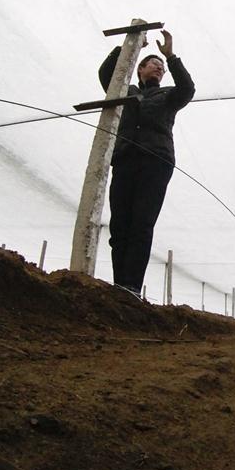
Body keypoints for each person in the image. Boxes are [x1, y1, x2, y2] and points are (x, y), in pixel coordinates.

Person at [98, 29, 195, 296]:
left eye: (162, 69)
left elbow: (188, 89)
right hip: (125, 159)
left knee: (142, 223)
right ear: (140, 69)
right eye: (155, 64)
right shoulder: (125, 92)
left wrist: (171, 56)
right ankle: (120, 286)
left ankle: (131, 287)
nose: (160, 70)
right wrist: (129, 49)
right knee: (120, 225)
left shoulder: (168, 95)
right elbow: (107, 76)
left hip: (156, 161)